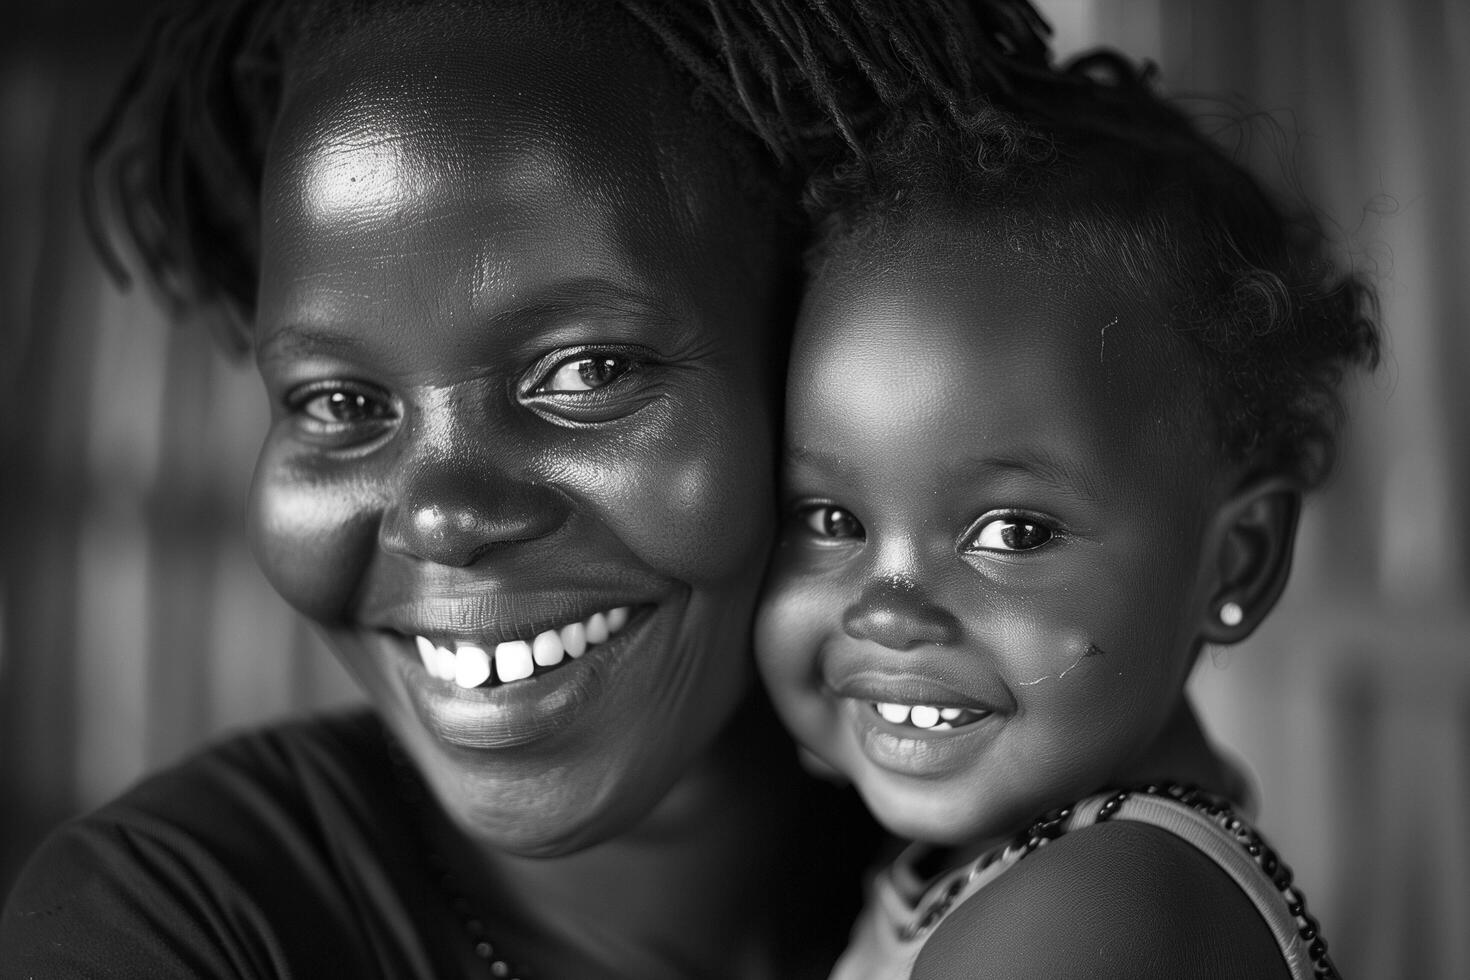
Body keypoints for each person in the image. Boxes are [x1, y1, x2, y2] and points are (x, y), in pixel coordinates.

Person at [0, 1, 1055, 977]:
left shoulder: (1061, 878)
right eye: (339, 402)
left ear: (817, 360)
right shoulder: (167, 927)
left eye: (588, 371)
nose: (441, 518)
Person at [754, 48, 1381, 980]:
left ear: (1237, 562)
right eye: (831, 518)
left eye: (1014, 532)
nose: (884, 610)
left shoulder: (1098, 911)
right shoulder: (1030, 866)